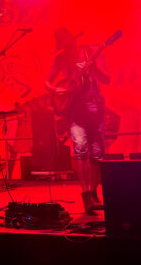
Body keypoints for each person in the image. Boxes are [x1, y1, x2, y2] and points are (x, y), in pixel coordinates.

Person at [45, 28, 110, 215]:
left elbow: (107, 79)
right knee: (80, 150)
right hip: (73, 110)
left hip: (94, 108)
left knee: (97, 153)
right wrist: (57, 90)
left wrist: (94, 68)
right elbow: (46, 82)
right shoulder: (60, 59)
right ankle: (86, 195)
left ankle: (95, 193)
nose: (69, 48)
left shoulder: (90, 51)